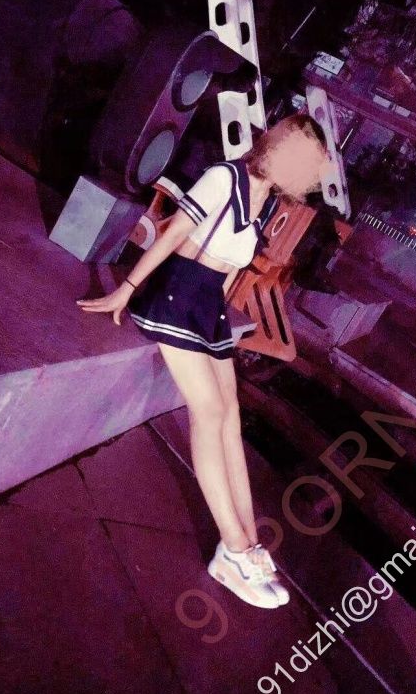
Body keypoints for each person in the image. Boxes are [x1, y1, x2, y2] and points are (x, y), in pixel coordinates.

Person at [76, 114, 330, 609]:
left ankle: (249, 542)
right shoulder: (224, 177)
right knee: (210, 413)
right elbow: (173, 235)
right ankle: (233, 550)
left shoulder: (266, 199)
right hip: (175, 294)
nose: (308, 180)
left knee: (232, 416)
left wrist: (219, 312)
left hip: (207, 303)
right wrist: (126, 290)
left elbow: (230, 264)